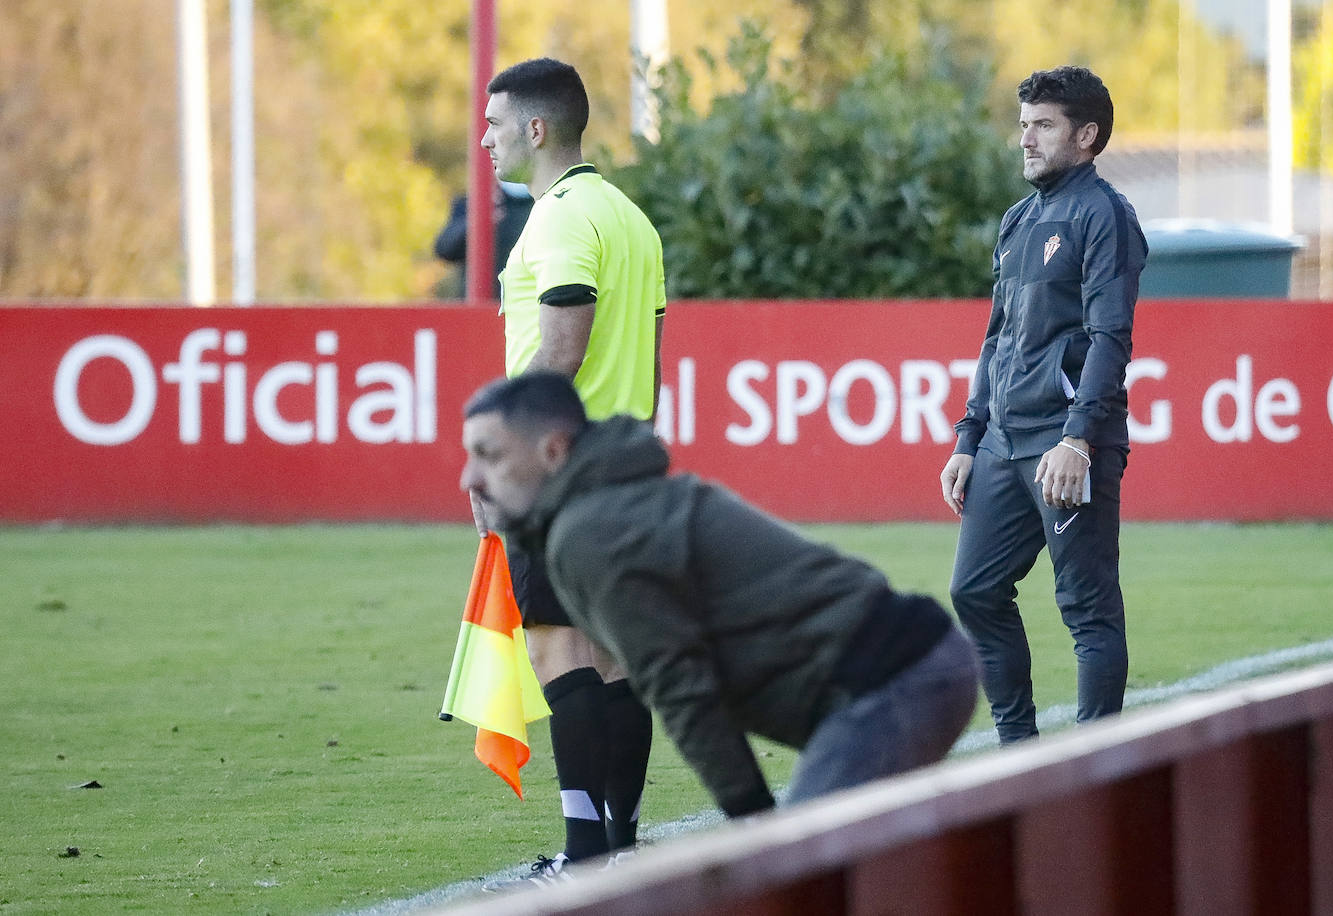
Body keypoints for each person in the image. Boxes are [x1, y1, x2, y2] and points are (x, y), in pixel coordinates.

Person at [461, 372, 979, 830]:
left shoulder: (592, 534)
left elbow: (680, 688)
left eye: (489, 455)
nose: (470, 478)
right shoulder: (604, 510)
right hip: (912, 663)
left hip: (892, 680)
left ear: (552, 452)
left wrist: (754, 824)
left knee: (800, 880)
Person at [469, 57, 666, 884]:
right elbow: (646, 357)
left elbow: (561, 347)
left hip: (560, 472)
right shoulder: (630, 218)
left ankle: (586, 851)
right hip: (628, 459)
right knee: (616, 657)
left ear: (536, 129)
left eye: (495, 121)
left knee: (559, 651)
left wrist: (505, 461)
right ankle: (618, 837)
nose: (485, 137)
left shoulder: (554, 221)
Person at [939, 66, 1148, 745]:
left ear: (1086, 136)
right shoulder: (1018, 219)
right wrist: (970, 436)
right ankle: (1018, 756)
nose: (1024, 138)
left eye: (1042, 125)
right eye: (1023, 123)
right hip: (1003, 443)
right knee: (974, 590)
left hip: (1063, 443)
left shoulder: (1105, 214)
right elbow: (999, 334)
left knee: (1085, 609)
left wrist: (1079, 439)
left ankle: (1091, 772)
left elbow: (1111, 336)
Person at [432, 181, 534, 299]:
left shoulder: (542, 204)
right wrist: (478, 218)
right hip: (480, 305)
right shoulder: (479, 202)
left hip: (524, 303)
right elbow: (444, 249)